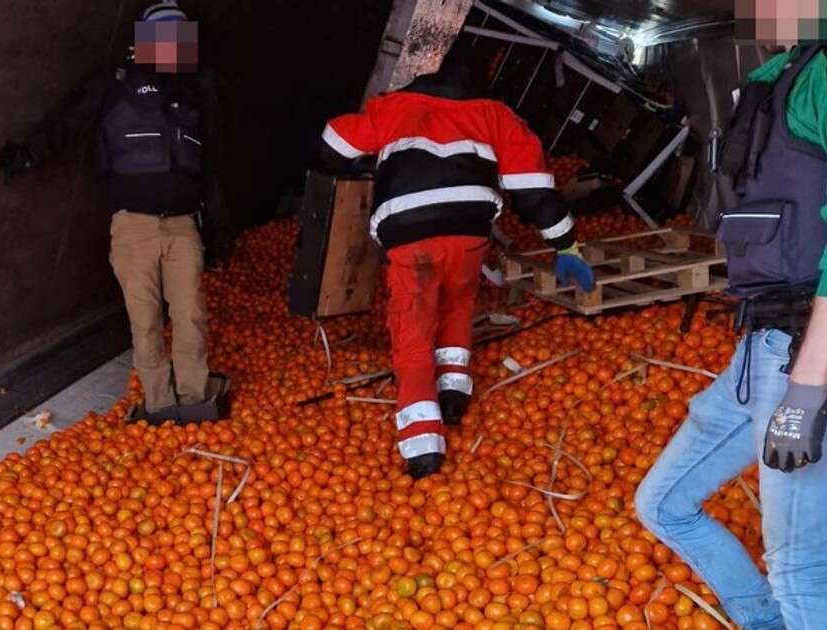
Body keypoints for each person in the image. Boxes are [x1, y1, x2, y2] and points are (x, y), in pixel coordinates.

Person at [318, 43, 594, 478]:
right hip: (469, 231)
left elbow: (334, 145)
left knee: (413, 326)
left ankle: (423, 442)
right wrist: (566, 245)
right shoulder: (497, 115)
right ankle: (453, 393)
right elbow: (533, 190)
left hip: (409, 233)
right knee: (459, 302)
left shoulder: (397, 106)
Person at [635, 44, 827, 630]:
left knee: (800, 568)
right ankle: (764, 621)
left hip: (804, 352)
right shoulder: (780, 70)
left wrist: (807, 391)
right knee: (663, 505)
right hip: (763, 347)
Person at [0, 1, 231, 420]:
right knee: (145, 323)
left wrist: (216, 236)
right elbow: (67, 120)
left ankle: (196, 402)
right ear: (143, 42)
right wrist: (29, 153)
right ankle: (159, 405)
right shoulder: (114, 83)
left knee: (192, 316)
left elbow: (210, 168)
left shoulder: (195, 94)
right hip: (133, 228)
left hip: (182, 227)